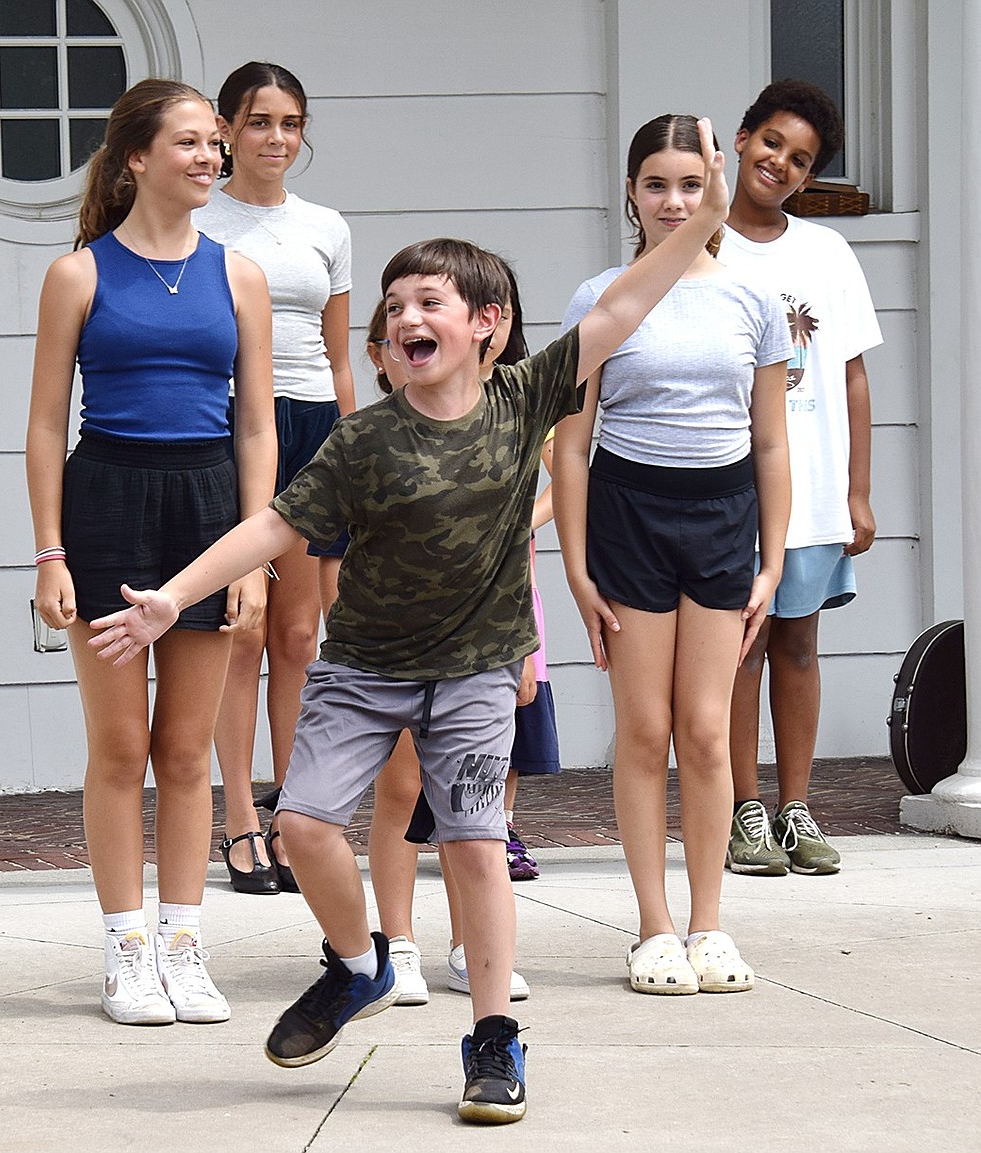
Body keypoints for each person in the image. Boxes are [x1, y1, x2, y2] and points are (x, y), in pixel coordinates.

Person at [87, 139, 728, 1121]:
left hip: (472, 669)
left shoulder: (523, 400)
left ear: (486, 324)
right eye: (393, 309)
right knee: (300, 826)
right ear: (381, 348)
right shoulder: (363, 439)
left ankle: (492, 1042)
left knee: (473, 842)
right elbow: (272, 524)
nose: (406, 316)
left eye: (429, 302)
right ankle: (357, 964)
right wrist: (177, 594)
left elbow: (616, 311)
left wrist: (697, 221)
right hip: (365, 666)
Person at [25, 78, 276, 1025]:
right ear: (136, 158)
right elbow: (47, 426)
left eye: (216, 142)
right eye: (191, 143)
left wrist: (253, 550)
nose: (212, 157)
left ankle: (183, 943)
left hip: (209, 510)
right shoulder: (79, 274)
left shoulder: (238, 275)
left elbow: (257, 427)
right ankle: (126, 948)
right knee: (121, 745)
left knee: (187, 750)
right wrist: (50, 552)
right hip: (107, 507)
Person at [554, 113, 791, 997]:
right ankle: (652, 928)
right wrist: (577, 569)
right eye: (656, 184)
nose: (674, 201)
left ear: (716, 190)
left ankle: (708, 922)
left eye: (691, 184)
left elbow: (771, 443)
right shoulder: (600, 295)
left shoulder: (754, 298)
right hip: (629, 515)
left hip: (723, 519)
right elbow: (572, 445)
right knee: (645, 730)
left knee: (706, 729)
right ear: (630, 192)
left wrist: (771, 561)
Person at [195, 62, 355, 894]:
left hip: (314, 429)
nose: (277, 139)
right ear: (227, 129)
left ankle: (294, 814)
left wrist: (358, 449)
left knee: (298, 637)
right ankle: (239, 822)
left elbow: (338, 355)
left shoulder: (326, 226)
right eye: (259, 122)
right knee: (241, 631)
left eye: (290, 122)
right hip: (232, 425)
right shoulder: (202, 218)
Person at [722, 80, 882, 877]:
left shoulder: (826, 253)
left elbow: (850, 377)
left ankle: (795, 806)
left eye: (801, 159)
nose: (780, 163)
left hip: (813, 486)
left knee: (798, 642)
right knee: (739, 648)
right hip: (728, 486)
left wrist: (856, 489)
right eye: (772, 143)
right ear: (743, 138)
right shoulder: (698, 241)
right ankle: (740, 809)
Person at [360, 286, 535, 1006]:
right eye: (395, 331)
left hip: (486, 642)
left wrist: (523, 653)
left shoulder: (500, 431)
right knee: (400, 788)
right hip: (394, 645)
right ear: (380, 358)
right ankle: (396, 941)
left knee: (477, 805)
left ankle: (473, 946)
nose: (411, 337)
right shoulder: (368, 443)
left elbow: (519, 539)